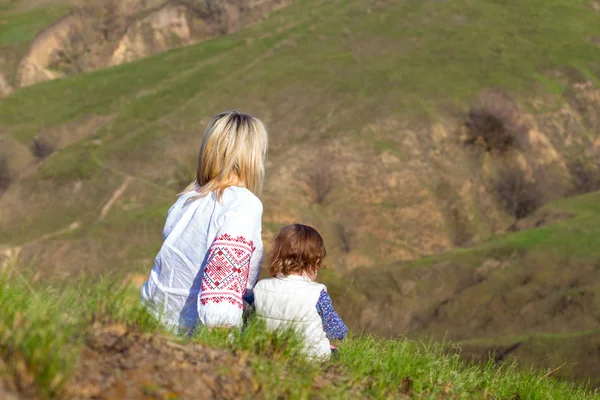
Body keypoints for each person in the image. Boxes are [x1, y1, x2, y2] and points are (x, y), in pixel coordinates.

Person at [140, 110, 268, 332]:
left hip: (150, 316)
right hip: (189, 331)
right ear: (252, 157)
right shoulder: (243, 205)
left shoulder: (188, 198)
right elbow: (223, 289)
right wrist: (221, 346)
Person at [252, 224, 348, 359]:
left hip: (270, 354)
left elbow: (251, 319)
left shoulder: (261, 287)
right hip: (311, 359)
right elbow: (336, 331)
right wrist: (343, 332)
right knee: (335, 354)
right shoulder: (318, 294)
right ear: (315, 262)